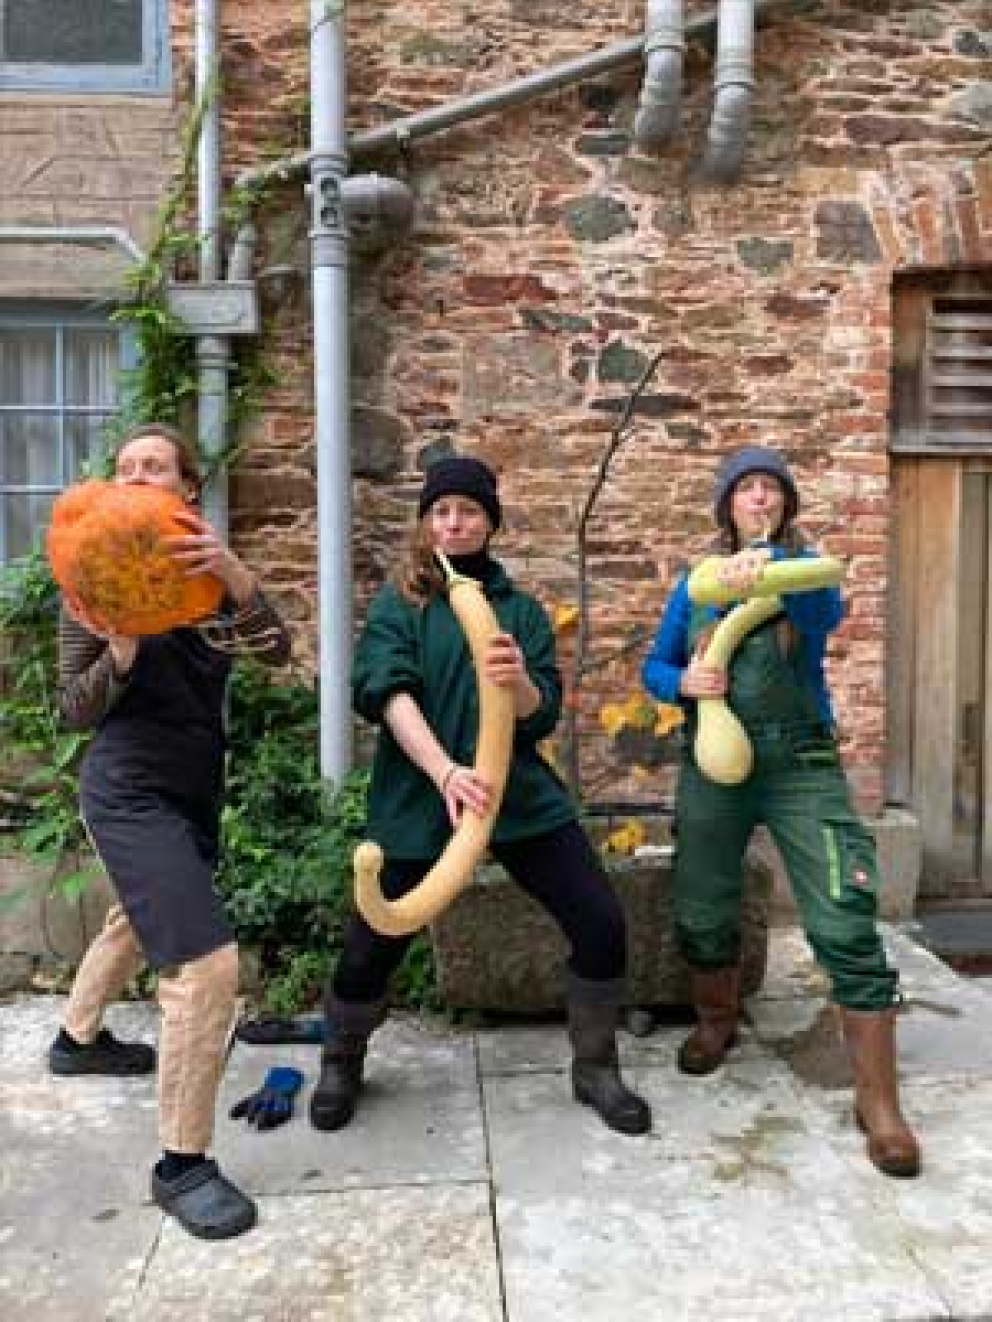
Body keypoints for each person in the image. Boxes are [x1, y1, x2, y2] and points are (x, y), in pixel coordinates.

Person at [310, 453, 651, 1138]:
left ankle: (595, 1066)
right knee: (371, 941)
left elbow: (541, 711)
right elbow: (385, 693)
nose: (454, 522)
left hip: (514, 792)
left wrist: (519, 680)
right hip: (422, 792)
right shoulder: (402, 603)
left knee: (600, 921)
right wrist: (443, 772)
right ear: (426, 524)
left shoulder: (519, 612)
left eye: (467, 510)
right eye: (441, 511)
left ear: (489, 522)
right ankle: (342, 1059)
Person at [641, 444, 920, 1178]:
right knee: (703, 900)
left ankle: (879, 1104)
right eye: (747, 490)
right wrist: (685, 682)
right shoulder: (696, 586)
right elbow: (654, 666)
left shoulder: (809, 573)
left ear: (785, 506)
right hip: (716, 758)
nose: (760, 499)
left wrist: (768, 577)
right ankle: (716, 1022)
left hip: (801, 761)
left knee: (841, 909)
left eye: (772, 490)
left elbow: (825, 609)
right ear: (728, 506)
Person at [48, 422, 292, 1238]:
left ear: (187, 488)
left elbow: (278, 651)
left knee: (133, 917)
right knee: (204, 962)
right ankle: (181, 1164)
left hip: (194, 784)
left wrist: (235, 575)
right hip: (123, 786)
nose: (139, 474)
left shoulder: (209, 575)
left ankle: (76, 1039)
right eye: (126, 467)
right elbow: (70, 708)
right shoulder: (89, 579)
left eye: (156, 465)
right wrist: (117, 654)